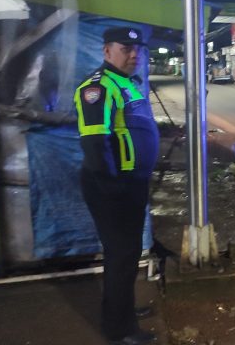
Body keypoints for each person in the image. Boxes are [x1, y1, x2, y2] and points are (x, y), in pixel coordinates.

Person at [74, 27, 159, 345]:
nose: (134, 54)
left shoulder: (127, 83)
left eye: (138, 49)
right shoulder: (97, 88)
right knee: (121, 255)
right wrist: (114, 190)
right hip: (112, 186)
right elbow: (96, 146)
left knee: (128, 254)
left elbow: (135, 128)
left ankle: (123, 312)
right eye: (126, 48)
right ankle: (119, 330)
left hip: (130, 184)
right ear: (107, 51)